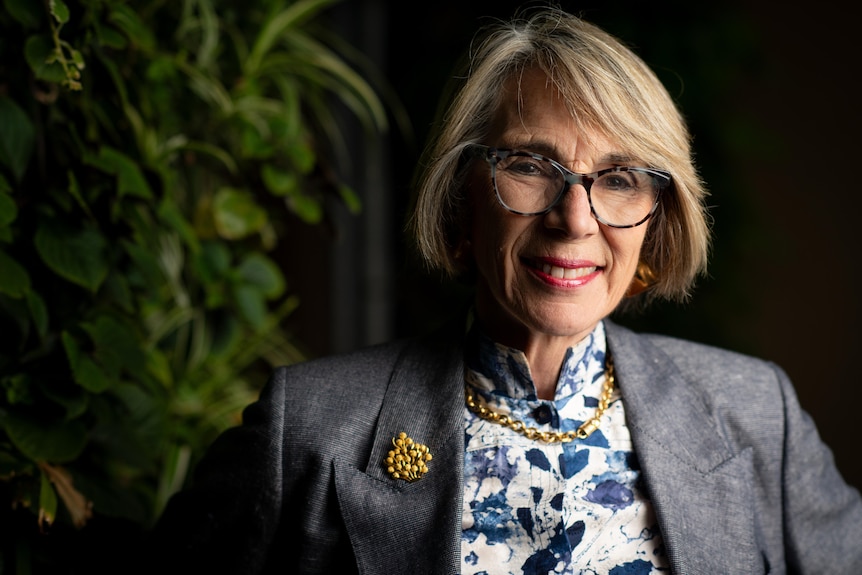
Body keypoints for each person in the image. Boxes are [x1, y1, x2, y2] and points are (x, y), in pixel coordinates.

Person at [147, 7, 862, 574]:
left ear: (658, 217)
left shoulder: (754, 413)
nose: (574, 218)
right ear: (464, 198)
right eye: (530, 165)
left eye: (618, 179)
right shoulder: (307, 428)